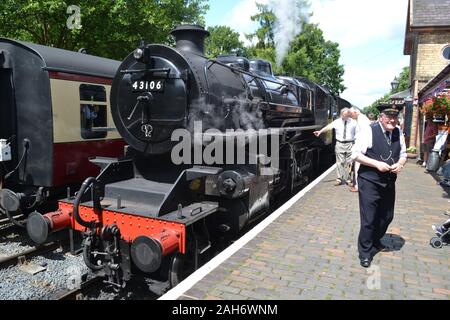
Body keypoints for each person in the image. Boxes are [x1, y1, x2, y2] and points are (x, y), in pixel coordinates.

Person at [351, 103, 407, 268]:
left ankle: (375, 239)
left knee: (387, 216)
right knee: (369, 218)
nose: (392, 120)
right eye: (388, 116)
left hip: (389, 180)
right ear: (381, 117)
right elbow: (355, 154)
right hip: (370, 180)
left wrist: (400, 164)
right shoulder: (369, 130)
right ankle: (365, 252)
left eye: (395, 117)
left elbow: (403, 154)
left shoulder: (398, 132)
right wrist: (376, 164)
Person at [314, 108, 357, 186]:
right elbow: (328, 127)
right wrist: (320, 131)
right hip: (339, 143)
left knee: (349, 162)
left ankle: (348, 179)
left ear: (349, 115)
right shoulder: (337, 122)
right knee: (340, 162)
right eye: (343, 115)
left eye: (347, 115)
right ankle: (339, 179)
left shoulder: (354, 122)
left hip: (350, 144)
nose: (345, 116)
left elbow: (358, 132)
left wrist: (356, 143)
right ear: (341, 114)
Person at [349, 107, 372, 192]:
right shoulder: (361, 119)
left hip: (361, 148)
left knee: (358, 167)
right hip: (360, 146)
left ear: (355, 112)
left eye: (351, 114)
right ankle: (356, 184)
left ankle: (358, 186)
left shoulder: (362, 120)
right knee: (356, 167)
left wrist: (359, 149)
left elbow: (364, 135)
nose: (351, 117)